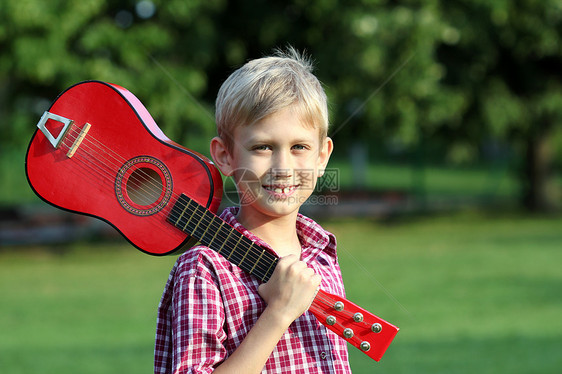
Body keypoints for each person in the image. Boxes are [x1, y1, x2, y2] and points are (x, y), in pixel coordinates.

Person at [154, 47, 351, 374]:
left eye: (299, 147)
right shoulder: (204, 267)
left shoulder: (322, 256)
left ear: (322, 156)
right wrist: (278, 313)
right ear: (226, 155)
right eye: (263, 147)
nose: (283, 167)